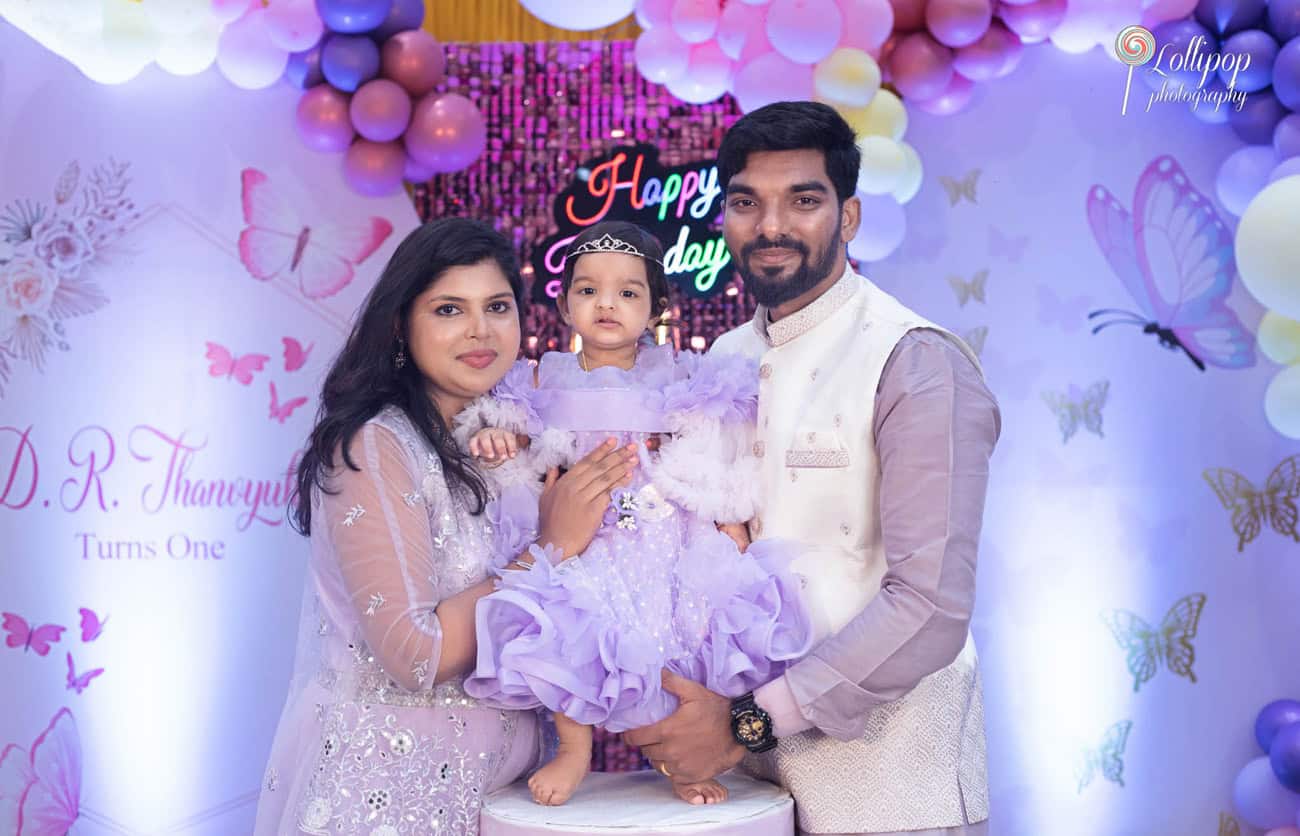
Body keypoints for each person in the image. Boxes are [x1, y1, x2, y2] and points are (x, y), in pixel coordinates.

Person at [623, 101, 1001, 836]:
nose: (771, 227)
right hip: (744, 798)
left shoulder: (915, 361)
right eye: (746, 203)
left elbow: (930, 609)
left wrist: (744, 724)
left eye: (803, 200)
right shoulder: (722, 362)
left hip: (893, 794)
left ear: (850, 217)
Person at [253, 218, 638, 835]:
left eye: (498, 307)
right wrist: (552, 547)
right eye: (450, 309)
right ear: (402, 324)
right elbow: (415, 653)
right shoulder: (377, 447)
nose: (481, 330)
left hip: (502, 796)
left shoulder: (515, 443)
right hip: (389, 799)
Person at [457, 221, 813, 807]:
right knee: (567, 626)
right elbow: (520, 433)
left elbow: (709, 443)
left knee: (681, 634)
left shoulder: (677, 373)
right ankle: (574, 747)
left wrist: (724, 514)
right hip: (585, 533)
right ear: (565, 300)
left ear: (655, 309)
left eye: (628, 292)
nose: (607, 304)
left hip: (663, 531)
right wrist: (499, 439)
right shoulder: (543, 375)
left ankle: (677, 756)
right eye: (589, 290)